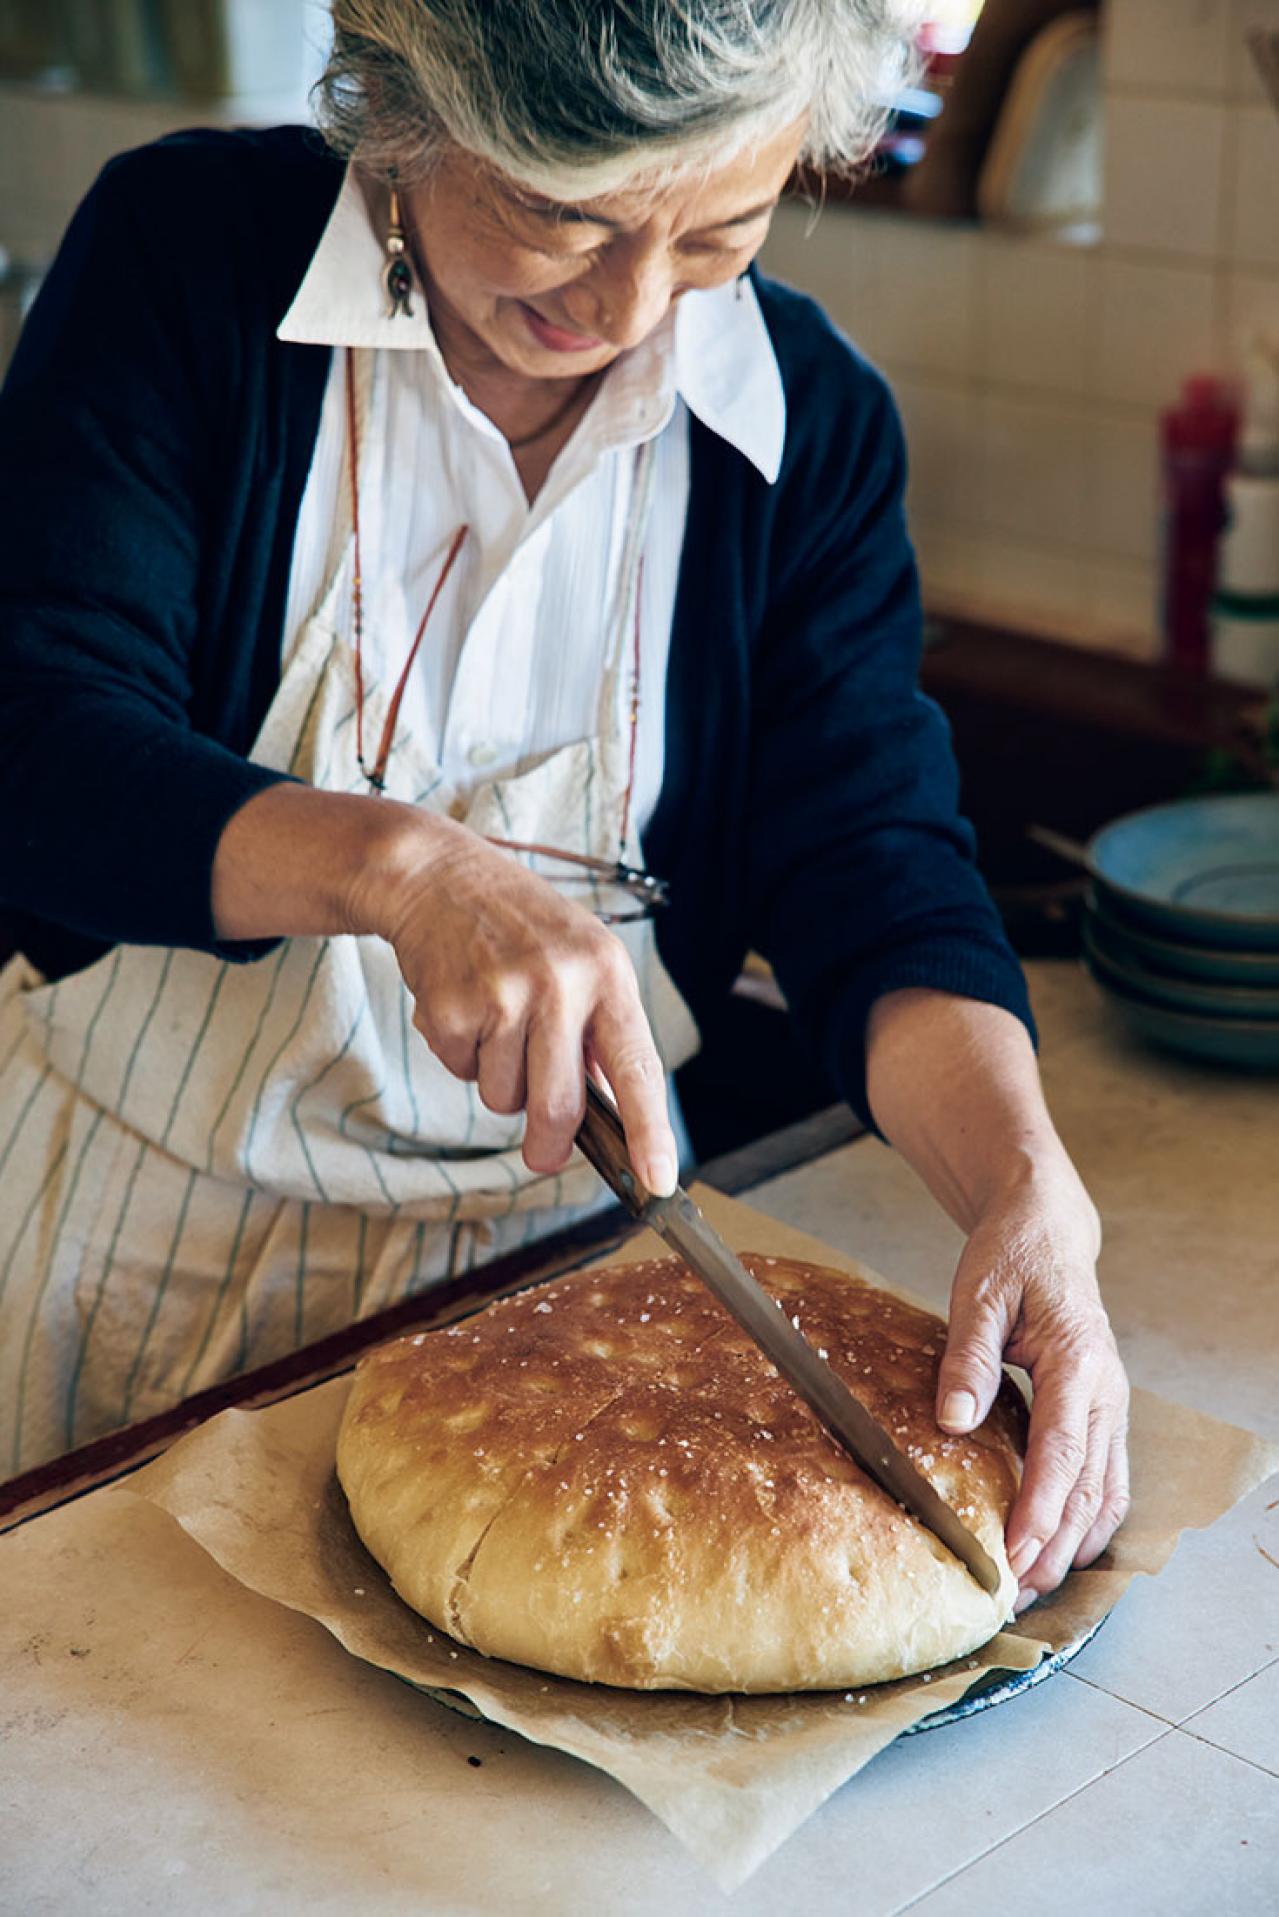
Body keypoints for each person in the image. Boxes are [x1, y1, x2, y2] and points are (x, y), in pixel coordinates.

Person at [0, 0, 1127, 1609]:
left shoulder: (809, 431)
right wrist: (397, 866)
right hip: (133, 1251)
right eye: (563, 212)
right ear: (403, 94)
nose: (627, 302)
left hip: (560, 1302)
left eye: (716, 233)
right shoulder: (184, 258)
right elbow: (38, 742)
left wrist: (1025, 1183)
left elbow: (872, 868)